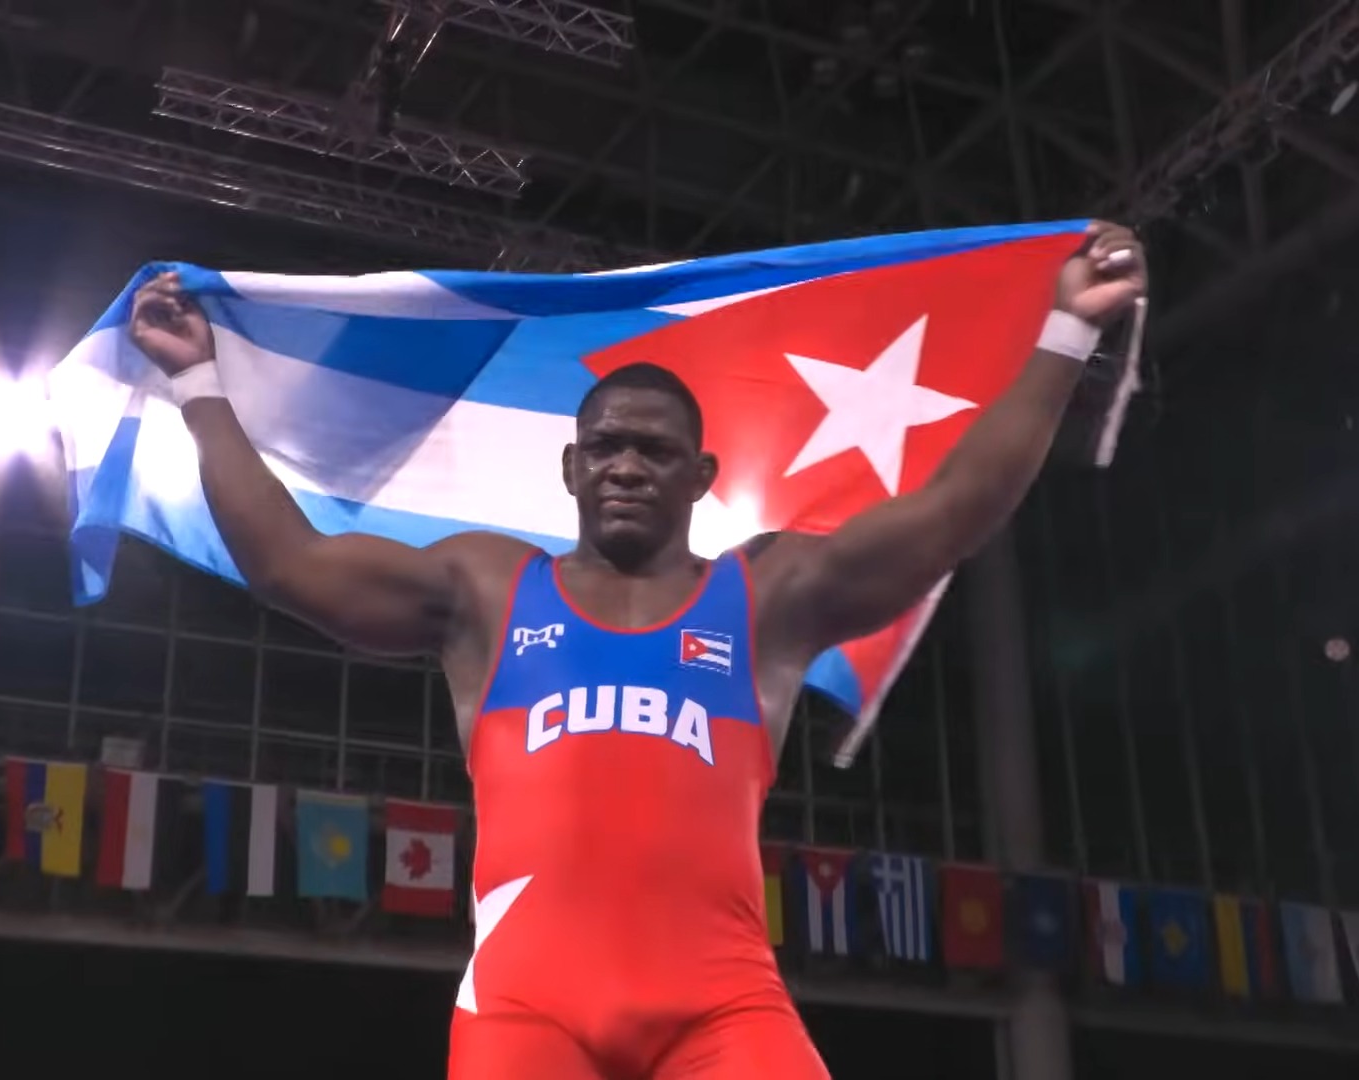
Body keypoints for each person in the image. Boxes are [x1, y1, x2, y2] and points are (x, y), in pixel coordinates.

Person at [127, 221, 1146, 1079]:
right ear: (570, 467)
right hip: (527, 1009)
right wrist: (199, 383)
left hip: (721, 1008)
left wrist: (1066, 328)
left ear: (700, 474)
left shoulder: (769, 595)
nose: (625, 466)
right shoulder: (486, 589)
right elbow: (289, 563)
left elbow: (955, 511)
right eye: (606, 446)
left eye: (653, 451)